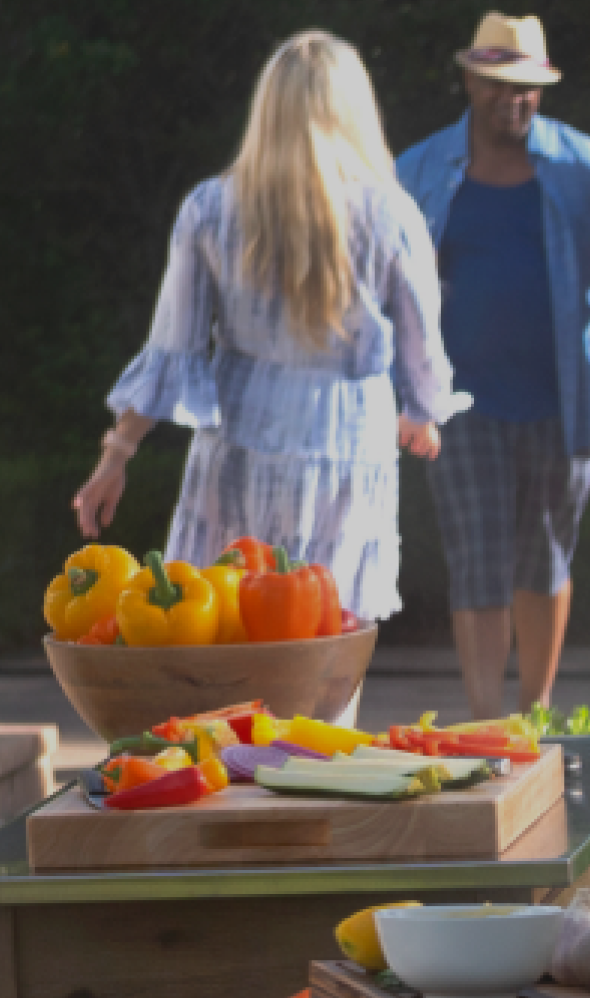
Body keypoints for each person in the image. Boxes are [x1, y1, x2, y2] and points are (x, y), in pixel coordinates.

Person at [75, 31, 450, 619]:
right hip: (347, 443)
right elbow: (422, 349)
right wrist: (425, 412)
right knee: (331, 637)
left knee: (222, 629)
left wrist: (117, 453)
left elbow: (174, 347)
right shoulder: (391, 213)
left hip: (239, 438)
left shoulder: (210, 209)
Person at [395, 12, 590, 720]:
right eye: (499, 83)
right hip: (459, 402)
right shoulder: (420, 168)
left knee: (546, 558)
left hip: (563, 395)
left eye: (527, 86)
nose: (513, 99)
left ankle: (535, 712)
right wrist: (403, 395)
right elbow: (390, 288)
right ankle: (483, 719)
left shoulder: (584, 166)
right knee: (477, 559)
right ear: (470, 79)